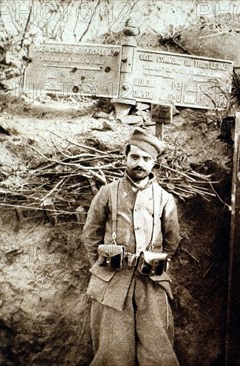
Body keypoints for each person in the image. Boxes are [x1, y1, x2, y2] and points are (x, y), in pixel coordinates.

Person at [82, 128, 181, 365]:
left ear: (154, 163)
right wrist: (102, 266)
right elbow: (90, 235)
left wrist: (156, 261)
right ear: (125, 158)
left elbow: (172, 240)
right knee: (113, 351)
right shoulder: (107, 193)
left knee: (158, 350)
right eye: (134, 157)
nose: (140, 164)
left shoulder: (164, 198)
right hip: (113, 282)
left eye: (146, 159)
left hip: (151, 282)